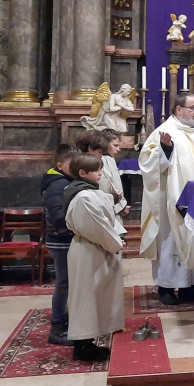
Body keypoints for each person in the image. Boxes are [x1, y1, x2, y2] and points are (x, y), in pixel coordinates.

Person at [139, 92, 194, 305]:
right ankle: (166, 288)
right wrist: (165, 149)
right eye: (192, 108)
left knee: (191, 238)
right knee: (171, 240)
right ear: (179, 109)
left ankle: (189, 286)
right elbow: (147, 163)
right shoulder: (164, 132)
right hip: (171, 198)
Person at [63, 152, 125, 361]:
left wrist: (117, 236)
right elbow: (96, 226)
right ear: (82, 173)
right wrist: (115, 242)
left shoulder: (90, 192)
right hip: (88, 250)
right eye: (97, 170)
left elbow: (106, 218)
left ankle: (90, 339)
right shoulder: (83, 197)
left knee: (96, 293)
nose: (101, 173)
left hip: (97, 248)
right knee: (86, 296)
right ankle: (82, 345)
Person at [41, 144, 78, 346]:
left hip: (67, 239)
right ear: (59, 165)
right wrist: (79, 223)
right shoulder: (56, 185)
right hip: (60, 241)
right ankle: (57, 327)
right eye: (72, 164)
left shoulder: (66, 181)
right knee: (64, 283)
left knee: (69, 283)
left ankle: (66, 320)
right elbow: (57, 216)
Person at [78, 130, 129, 235]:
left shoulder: (106, 159)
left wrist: (121, 204)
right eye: (115, 145)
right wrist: (119, 206)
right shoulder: (99, 162)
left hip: (110, 207)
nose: (101, 155)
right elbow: (106, 186)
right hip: (103, 210)